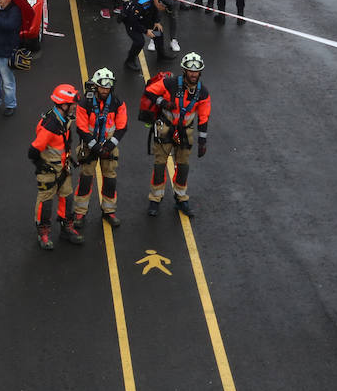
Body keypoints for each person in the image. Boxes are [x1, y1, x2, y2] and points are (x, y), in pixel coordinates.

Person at [141, 52, 212, 217]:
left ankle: (181, 198)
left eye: (196, 71)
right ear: (184, 70)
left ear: (200, 72)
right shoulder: (170, 83)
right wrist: (163, 102)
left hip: (185, 132)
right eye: (190, 70)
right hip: (165, 129)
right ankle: (155, 199)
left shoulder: (203, 93)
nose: (193, 74)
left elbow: (203, 117)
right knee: (160, 165)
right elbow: (149, 92)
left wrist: (202, 142)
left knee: (183, 167)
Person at [72, 68, 128, 231]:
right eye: (102, 87)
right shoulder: (85, 103)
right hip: (90, 147)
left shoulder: (117, 103)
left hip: (109, 146)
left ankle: (109, 211)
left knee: (110, 179)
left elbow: (122, 126)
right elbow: (81, 128)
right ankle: (80, 213)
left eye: (108, 87)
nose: (105, 90)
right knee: (85, 179)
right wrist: (95, 147)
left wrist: (109, 146)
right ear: (96, 86)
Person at [28, 84, 80, 250]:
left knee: (67, 197)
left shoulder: (64, 120)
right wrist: (42, 166)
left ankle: (66, 228)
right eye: (72, 105)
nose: (75, 107)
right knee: (46, 202)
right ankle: (43, 232)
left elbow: (64, 143)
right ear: (63, 105)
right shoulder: (49, 126)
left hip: (63, 169)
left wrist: (69, 157)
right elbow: (33, 151)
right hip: (48, 172)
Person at [122, 0, 170, 73]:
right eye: (163, 8)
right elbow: (133, 20)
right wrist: (145, 31)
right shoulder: (142, 4)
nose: (163, 10)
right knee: (139, 42)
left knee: (158, 32)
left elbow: (156, 11)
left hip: (144, 17)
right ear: (159, 3)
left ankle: (161, 55)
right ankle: (129, 61)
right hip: (131, 21)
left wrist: (156, 21)